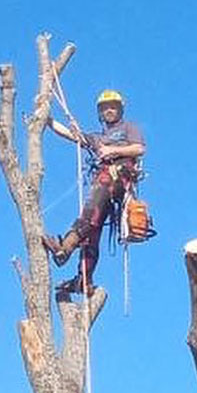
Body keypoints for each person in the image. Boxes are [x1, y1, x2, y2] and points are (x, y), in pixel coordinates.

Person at [43, 89, 146, 295]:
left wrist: (113, 151)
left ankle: (66, 246)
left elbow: (139, 148)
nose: (109, 110)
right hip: (103, 180)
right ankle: (84, 279)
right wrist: (47, 119)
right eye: (105, 108)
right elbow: (71, 135)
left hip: (117, 178)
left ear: (120, 109)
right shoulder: (97, 137)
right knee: (92, 230)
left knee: (90, 212)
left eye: (113, 107)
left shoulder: (128, 128)